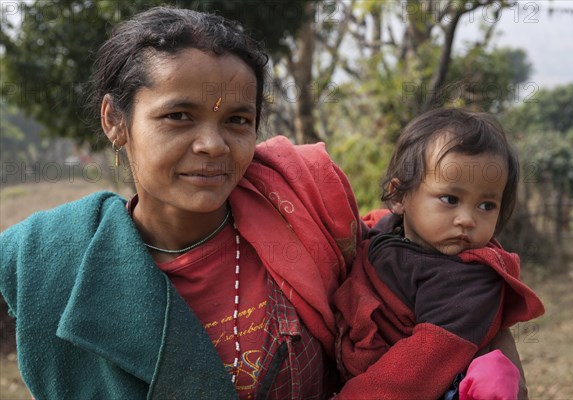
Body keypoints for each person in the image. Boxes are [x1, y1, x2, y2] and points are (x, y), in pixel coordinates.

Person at [0, 7, 528, 399]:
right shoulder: (57, 264)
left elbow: (444, 277)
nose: (212, 145)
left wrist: (501, 365)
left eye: (236, 120)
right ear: (116, 119)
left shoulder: (305, 204)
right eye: (178, 116)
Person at [334, 108, 545, 399]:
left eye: (486, 205)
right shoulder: (387, 229)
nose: (468, 219)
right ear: (399, 196)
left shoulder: (471, 281)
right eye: (450, 199)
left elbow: (419, 369)